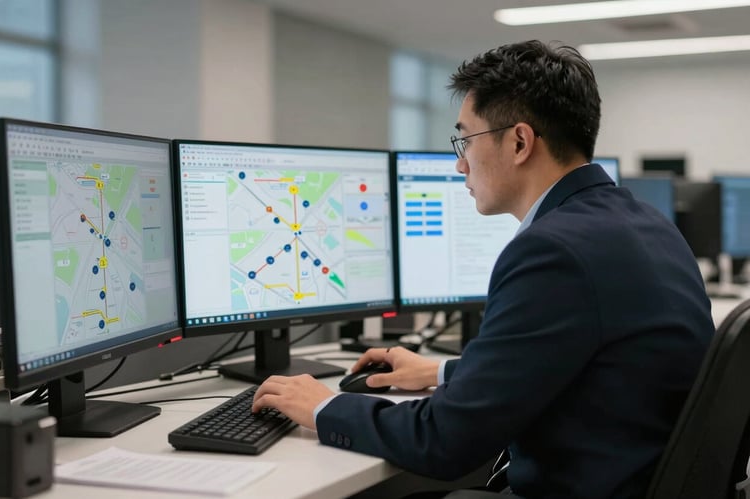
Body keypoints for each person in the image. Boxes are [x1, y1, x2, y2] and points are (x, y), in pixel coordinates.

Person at [252, 40, 714, 499]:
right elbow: (573, 360)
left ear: (519, 142)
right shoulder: (646, 223)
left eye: (466, 141)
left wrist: (325, 407)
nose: (460, 164)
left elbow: (444, 440)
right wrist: (443, 372)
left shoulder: (552, 251)